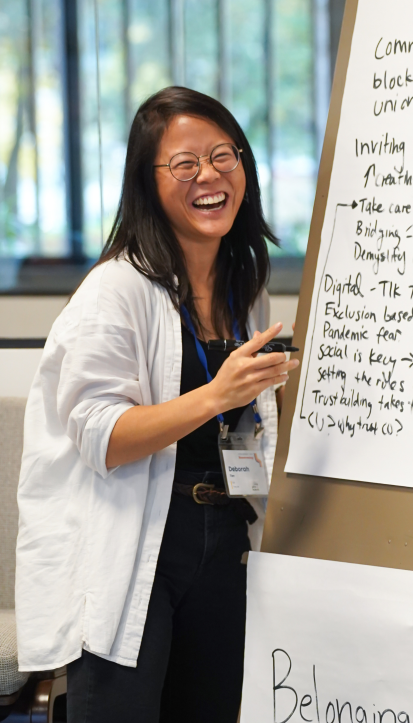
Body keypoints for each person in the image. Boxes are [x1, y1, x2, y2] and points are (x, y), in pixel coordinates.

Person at [15, 86, 299, 723]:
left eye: (224, 156)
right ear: (148, 182)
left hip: (225, 532)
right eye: (185, 163)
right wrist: (216, 395)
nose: (210, 176)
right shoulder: (115, 289)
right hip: (140, 535)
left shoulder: (242, 286)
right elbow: (101, 436)